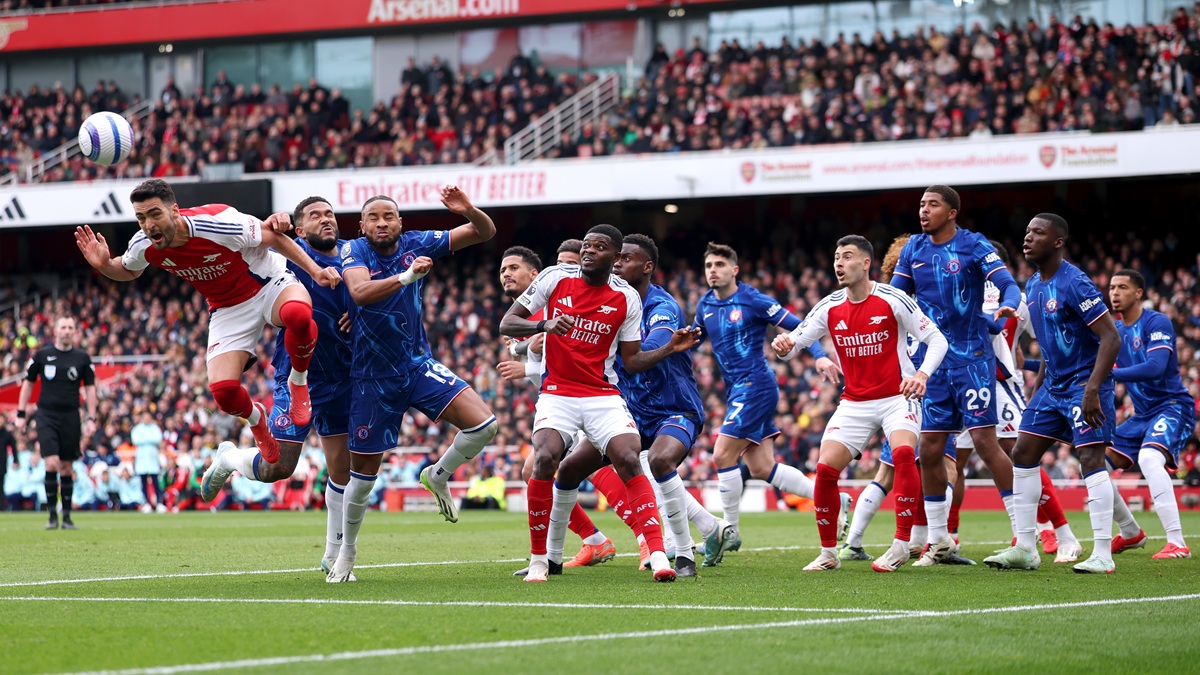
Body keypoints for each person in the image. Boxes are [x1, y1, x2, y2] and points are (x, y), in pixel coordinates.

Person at [74, 179, 341, 466]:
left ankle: (297, 381)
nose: (148, 225)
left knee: (299, 315)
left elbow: (274, 237)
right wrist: (104, 265)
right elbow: (128, 270)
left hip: (266, 283)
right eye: (141, 218)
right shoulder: (143, 244)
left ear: (174, 211)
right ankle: (256, 418)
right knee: (224, 393)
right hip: (228, 308)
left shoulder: (217, 223)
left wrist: (314, 272)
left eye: (155, 214)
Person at [499, 224, 699, 583]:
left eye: (600, 247)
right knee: (545, 458)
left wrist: (669, 348)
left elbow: (632, 360)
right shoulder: (555, 278)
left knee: (627, 455)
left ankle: (657, 554)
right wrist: (545, 325)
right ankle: (540, 560)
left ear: (614, 255)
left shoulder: (627, 298)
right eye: (587, 245)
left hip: (601, 393)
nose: (590, 251)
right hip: (558, 392)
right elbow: (507, 324)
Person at [326, 186, 499, 583]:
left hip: (416, 365)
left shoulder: (417, 242)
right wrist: (407, 277)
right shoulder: (354, 250)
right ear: (362, 225)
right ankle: (347, 553)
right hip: (371, 378)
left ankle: (437, 474)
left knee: (485, 425)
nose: (382, 223)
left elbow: (484, 233)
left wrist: (468, 209)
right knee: (363, 478)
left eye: (389, 216)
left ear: (401, 223)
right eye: (374, 217)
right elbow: (359, 292)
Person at [773, 235, 947, 572]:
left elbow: (936, 339)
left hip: (898, 396)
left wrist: (922, 374)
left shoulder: (893, 299)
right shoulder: (829, 305)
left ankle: (900, 545)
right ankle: (827, 553)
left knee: (903, 455)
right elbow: (796, 342)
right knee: (824, 470)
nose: (839, 263)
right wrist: (785, 344)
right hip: (855, 401)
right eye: (836, 257)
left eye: (847, 257)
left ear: (866, 264)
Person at [199, 196, 354, 574]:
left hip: (344, 373)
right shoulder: (289, 252)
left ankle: (334, 554)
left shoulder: (356, 256)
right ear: (299, 229)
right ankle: (230, 458)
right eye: (315, 216)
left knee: (343, 471)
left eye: (330, 213)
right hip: (296, 373)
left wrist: (362, 307)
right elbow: (261, 236)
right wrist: (274, 221)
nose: (326, 219)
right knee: (278, 468)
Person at [889, 185, 1021, 563]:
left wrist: (1007, 306)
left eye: (932, 204)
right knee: (929, 449)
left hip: (972, 360)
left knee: (984, 443)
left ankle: (1024, 535)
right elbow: (896, 297)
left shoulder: (975, 245)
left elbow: (1007, 285)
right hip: (931, 364)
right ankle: (939, 540)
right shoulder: (913, 248)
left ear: (952, 212)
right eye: (920, 204)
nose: (923, 210)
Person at [984, 213, 1122, 574]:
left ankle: (1103, 554)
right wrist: (1038, 391)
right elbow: (1047, 347)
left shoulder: (1075, 283)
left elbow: (1111, 337)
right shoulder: (1034, 283)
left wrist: (1092, 388)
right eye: (1027, 231)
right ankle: (1027, 547)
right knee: (1022, 451)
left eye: (1038, 233)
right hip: (1053, 385)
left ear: (1058, 242)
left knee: (1091, 460)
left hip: (1083, 384)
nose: (1028, 238)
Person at [693, 242, 844, 550]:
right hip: (736, 390)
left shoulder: (752, 300)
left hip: (756, 385)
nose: (713, 271)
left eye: (720, 265)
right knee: (762, 468)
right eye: (709, 266)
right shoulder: (704, 305)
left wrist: (818, 355)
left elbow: (800, 326)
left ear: (734, 270)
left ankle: (729, 533)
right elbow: (693, 340)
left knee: (722, 455)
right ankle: (832, 498)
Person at [613, 234, 737, 576]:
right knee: (583, 465)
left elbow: (641, 355)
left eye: (627, 258)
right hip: (633, 411)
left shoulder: (662, 306)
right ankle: (710, 527)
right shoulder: (613, 304)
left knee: (658, 461)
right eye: (617, 258)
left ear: (648, 266)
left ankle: (682, 553)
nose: (618, 263)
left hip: (674, 407)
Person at [951, 240, 1081, 562]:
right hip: (967, 384)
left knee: (1016, 454)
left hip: (995, 384)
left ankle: (1060, 532)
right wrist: (1016, 348)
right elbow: (1031, 342)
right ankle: (955, 536)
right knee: (962, 460)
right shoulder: (1013, 298)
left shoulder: (1002, 297)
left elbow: (1034, 338)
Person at [496, 244, 620, 575]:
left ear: (534, 275)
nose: (506, 274)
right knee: (542, 471)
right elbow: (531, 350)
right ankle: (594, 539)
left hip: (587, 398)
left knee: (607, 469)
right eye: (502, 269)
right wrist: (525, 349)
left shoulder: (551, 305)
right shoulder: (525, 316)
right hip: (560, 402)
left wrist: (526, 363)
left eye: (513, 268)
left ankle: (653, 539)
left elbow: (557, 353)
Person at [1107, 268, 1194, 559]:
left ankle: (1177, 542)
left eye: (1122, 287)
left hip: (1172, 407)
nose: (1115, 293)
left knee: (1148, 458)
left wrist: (1112, 373)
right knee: (1093, 462)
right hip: (1142, 415)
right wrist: (1026, 366)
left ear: (1139, 293)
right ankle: (1130, 532)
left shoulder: (1157, 322)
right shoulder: (1115, 332)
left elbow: (1156, 367)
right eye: (1111, 288)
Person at [16, 316, 97, 529]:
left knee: (67, 468)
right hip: (46, 415)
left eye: (71, 327)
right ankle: (52, 516)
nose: (67, 331)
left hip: (71, 416)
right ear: (56, 330)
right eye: (63, 327)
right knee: (51, 463)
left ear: (75, 331)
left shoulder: (82, 358)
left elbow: (90, 389)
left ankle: (67, 517)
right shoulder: (42, 355)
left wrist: (91, 417)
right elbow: (28, 383)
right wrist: (21, 413)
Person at [130, 410, 164, 513]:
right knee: (143, 482)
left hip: (153, 459)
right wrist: (149, 439)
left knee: (155, 482)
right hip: (142, 460)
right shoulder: (137, 429)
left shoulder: (155, 428)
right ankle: (146, 503)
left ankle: (159, 503)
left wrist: (144, 439)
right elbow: (136, 440)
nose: (146, 419)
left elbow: (158, 439)